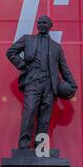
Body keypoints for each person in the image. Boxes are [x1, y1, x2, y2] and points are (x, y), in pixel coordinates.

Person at [5, 15, 77, 151]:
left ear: (50, 26)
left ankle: (40, 148)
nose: (42, 25)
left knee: (45, 118)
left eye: (45, 23)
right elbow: (11, 52)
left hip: (49, 85)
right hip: (33, 82)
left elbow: (64, 68)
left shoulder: (56, 47)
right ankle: (24, 146)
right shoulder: (28, 39)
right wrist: (22, 65)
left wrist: (72, 84)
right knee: (29, 111)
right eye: (40, 23)